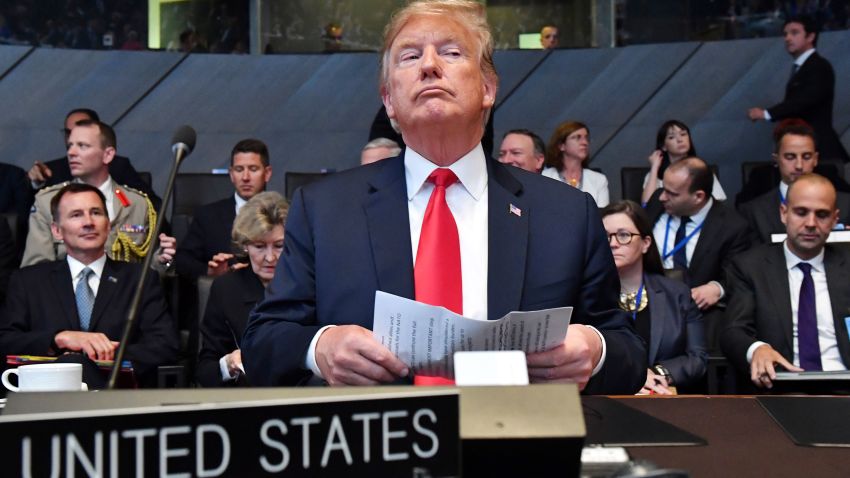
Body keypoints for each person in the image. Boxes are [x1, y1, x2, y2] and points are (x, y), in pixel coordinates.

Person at [242, 0, 645, 394]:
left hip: (519, 446)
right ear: (389, 101)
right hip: (376, 448)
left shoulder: (567, 214)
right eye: (409, 56)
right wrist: (320, 348)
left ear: (488, 88)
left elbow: (628, 350)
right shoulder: (324, 209)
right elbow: (264, 341)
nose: (430, 65)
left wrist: (595, 349)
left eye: (451, 52)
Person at [0, 184, 179, 387]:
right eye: (76, 215)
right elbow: (6, 341)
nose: (88, 222)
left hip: (116, 399)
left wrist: (103, 352)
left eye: (96, 213)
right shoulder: (28, 282)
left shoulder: (140, 279)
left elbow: (165, 346)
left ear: (108, 224)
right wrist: (59, 339)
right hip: (45, 399)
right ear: (57, 231)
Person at [721, 174, 850, 390]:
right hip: (783, 389)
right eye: (801, 212)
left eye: (822, 215)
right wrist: (757, 348)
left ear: (835, 219)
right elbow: (733, 330)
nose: (811, 223)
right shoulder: (751, 267)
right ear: (784, 213)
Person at [21, 120, 175, 269]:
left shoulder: (137, 203)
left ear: (107, 155)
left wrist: (162, 262)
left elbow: (149, 277)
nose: (71, 153)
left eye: (82, 146)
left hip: (124, 293)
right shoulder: (47, 202)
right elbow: (35, 271)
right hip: (65, 292)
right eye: (70, 145)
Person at [601, 201, 707, 394]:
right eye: (606, 236)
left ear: (645, 243)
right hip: (607, 397)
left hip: (662, 395)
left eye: (623, 235)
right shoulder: (586, 295)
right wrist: (631, 377)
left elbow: (697, 359)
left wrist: (654, 374)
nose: (614, 243)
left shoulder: (677, 293)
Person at [644, 157, 750, 349]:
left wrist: (718, 288)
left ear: (698, 196)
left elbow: (740, 274)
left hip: (697, 314)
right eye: (663, 189)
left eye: (672, 193)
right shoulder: (657, 202)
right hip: (647, 306)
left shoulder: (733, 226)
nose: (662, 197)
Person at [196, 192, 288, 387]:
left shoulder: (308, 284)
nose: (270, 258)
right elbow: (205, 370)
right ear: (245, 246)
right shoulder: (226, 288)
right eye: (259, 246)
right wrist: (228, 364)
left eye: (279, 246)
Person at [746, 15, 849, 163]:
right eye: (785, 34)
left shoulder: (818, 66)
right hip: (806, 147)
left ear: (811, 36)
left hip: (818, 149)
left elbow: (804, 101)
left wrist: (767, 113)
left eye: (794, 33)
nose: (787, 38)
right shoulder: (803, 67)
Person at [173, 139, 273, 278]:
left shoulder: (284, 216)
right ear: (231, 174)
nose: (245, 177)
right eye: (239, 169)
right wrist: (210, 272)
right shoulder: (208, 216)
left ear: (267, 173)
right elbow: (183, 260)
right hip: (225, 293)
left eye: (253, 169)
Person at [740, 120, 850, 245]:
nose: (799, 165)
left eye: (806, 157)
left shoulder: (846, 205)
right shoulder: (753, 212)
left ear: (816, 159)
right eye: (790, 157)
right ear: (776, 159)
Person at [27, 108, 161, 208]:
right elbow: (29, 215)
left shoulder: (118, 166)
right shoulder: (51, 171)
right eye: (69, 133)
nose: (74, 136)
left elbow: (151, 207)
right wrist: (36, 183)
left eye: (82, 129)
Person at [641, 120, 726, 205]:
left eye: (683, 134)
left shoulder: (702, 171)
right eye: (671, 137)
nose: (680, 139)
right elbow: (646, 205)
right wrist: (654, 167)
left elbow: (718, 202)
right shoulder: (654, 175)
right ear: (664, 146)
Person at [542, 121, 610, 207]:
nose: (585, 143)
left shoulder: (599, 179)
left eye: (586, 138)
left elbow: (603, 216)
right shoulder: (545, 177)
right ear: (561, 145)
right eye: (577, 137)